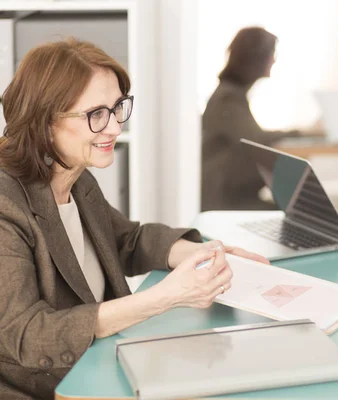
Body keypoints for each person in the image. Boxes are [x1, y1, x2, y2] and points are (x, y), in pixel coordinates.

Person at [0, 38, 268, 400]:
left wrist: (201, 252)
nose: (113, 128)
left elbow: (126, 239)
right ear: (45, 122)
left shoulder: (74, 176)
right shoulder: (6, 203)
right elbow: (28, 335)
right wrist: (164, 298)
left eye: (117, 108)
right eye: (96, 114)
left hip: (100, 366)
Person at [201, 26, 305, 211]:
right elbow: (256, 140)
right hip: (222, 201)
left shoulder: (231, 94)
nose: (274, 60)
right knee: (297, 214)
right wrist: (299, 132)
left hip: (232, 195)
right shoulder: (227, 99)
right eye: (272, 54)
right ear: (255, 57)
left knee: (295, 210)